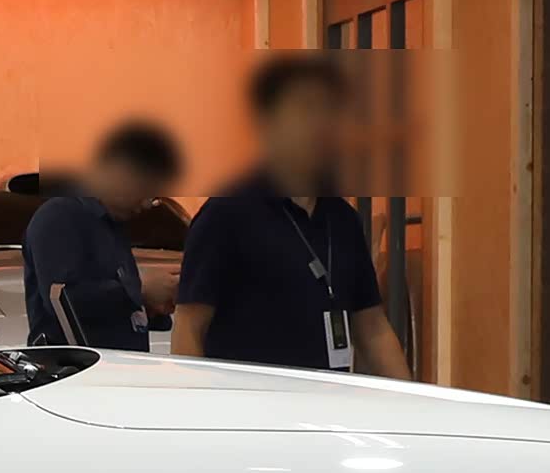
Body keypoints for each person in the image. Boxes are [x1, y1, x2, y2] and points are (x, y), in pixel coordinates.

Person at [171, 56, 410, 377]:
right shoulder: (227, 213)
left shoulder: (343, 220)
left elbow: (373, 329)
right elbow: (189, 326)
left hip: (327, 399)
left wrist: (413, 398)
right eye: (306, 110)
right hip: (250, 401)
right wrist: (197, 402)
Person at [20, 120, 183, 351]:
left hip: (117, 366)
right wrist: (140, 290)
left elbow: (115, 310)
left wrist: (156, 301)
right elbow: (64, 300)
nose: (147, 204)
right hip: (75, 368)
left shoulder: (112, 226)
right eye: (146, 190)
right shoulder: (60, 215)